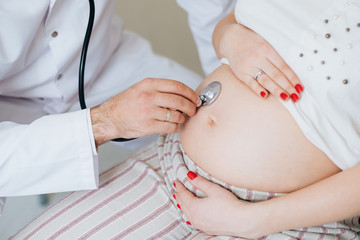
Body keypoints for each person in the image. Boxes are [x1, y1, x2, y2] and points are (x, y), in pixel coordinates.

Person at [11, 0, 360, 239]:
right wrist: (228, 37)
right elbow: (237, 19)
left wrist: (251, 221)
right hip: (171, 163)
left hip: (286, 211)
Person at [0, 0, 203, 215]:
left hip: (102, 60)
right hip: (9, 101)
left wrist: (224, 58)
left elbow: (212, 8)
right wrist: (103, 123)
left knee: (204, 118)